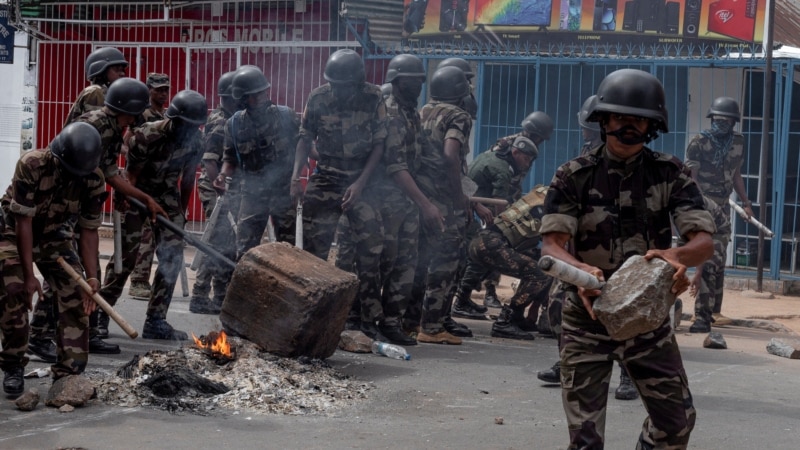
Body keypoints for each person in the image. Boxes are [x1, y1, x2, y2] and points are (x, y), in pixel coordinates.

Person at [540, 68, 715, 448]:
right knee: (585, 441)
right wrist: (579, 271)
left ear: (653, 127)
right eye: (620, 118)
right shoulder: (573, 176)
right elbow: (551, 246)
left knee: (676, 423)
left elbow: (703, 242)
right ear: (603, 121)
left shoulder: (670, 173)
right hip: (585, 318)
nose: (629, 127)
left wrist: (675, 255)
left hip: (647, 321)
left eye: (639, 120)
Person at [536, 95, 638, 400]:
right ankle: (569, 359)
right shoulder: (583, 159)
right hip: (582, 249)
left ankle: (628, 374)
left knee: (624, 311)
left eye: (588, 128)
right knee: (558, 305)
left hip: (621, 248)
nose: (584, 133)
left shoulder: (628, 158)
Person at [1, 123, 105, 397]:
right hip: (13, 231)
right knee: (14, 291)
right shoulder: (32, 164)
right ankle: (13, 365)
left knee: (77, 292)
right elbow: (24, 221)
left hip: (55, 236)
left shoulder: (94, 179)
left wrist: (91, 278)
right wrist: (29, 275)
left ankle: (69, 375)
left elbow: (89, 231)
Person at [290, 50, 386, 339]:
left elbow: (380, 145)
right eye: (334, 84)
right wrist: (297, 176)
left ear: (357, 81)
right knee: (313, 253)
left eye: (344, 85)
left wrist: (360, 184)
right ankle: (309, 317)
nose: (338, 89)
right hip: (327, 176)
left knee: (370, 250)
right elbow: (304, 138)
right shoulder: (318, 98)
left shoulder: (374, 97)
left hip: (363, 180)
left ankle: (367, 321)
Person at [99, 90, 207, 340]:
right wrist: (125, 201)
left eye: (195, 126)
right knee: (126, 256)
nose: (191, 131)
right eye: (187, 125)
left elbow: (188, 179)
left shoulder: (197, 142)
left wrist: (181, 211)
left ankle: (156, 319)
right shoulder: (147, 135)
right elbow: (131, 176)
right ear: (175, 119)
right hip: (138, 193)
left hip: (168, 196)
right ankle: (100, 315)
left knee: (172, 255)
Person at [410, 66, 489, 345]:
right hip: (444, 199)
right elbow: (450, 155)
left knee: (421, 260)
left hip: (419, 197)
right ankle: (432, 327)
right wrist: (459, 198)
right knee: (446, 260)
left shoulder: (422, 112)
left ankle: (419, 321)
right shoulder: (458, 116)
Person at [215, 65, 299, 260]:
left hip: (284, 192)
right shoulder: (234, 125)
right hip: (252, 194)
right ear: (243, 99)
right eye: (254, 95)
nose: (260, 98)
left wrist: (298, 179)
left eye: (262, 93)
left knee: (288, 249)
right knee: (245, 249)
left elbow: (304, 149)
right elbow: (229, 159)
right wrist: (222, 176)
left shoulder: (286, 116)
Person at [452, 136, 540, 323]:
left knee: (481, 251)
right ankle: (460, 302)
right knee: (483, 250)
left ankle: (462, 300)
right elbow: (500, 211)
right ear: (515, 153)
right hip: (461, 209)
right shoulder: (502, 170)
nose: (527, 164)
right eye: (526, 159)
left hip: (467, 205)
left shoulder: (493, 155)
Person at [685, 96, 752, 329]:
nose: (721, 124)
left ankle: (715, 311)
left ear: (734, 123)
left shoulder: (738, 142)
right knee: (707, 258)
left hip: (724, 206)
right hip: (703, 207)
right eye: (718, 120)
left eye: (727, 121)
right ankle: (701, 317)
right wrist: (697, 207)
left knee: (719, 259)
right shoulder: (698, 143)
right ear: (712, 119)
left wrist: (746, 202)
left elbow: (736, 175)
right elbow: (691, 180)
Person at [459, 186, 554, 341]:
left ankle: (516, 318)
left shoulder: (537, 198)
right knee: (539, 272)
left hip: (483, 241)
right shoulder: (552, 206)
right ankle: (505, 321)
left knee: (540, 264)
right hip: (490, 244)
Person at [190, 71, 242, 314]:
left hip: (227, 187)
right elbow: (209, 162)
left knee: (227, 243)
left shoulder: (233, 118)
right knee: (215, 242)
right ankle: (200, 294)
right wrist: (221, 190)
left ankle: (221, 295)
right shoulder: (221, 121)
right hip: (215, 188)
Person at [128, 73, 173, 300]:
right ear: (149, 90)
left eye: (166, 89)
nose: (163, 93)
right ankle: (138, 281)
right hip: (143, 182)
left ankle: (152, 281)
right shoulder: (142, 114)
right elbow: (128, 140)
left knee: (156, 233)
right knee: (145, 233)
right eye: (158, 89)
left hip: (161, 184)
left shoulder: (165, 115)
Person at [63, 47, 128, 126]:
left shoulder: (110, 93)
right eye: (117, 69)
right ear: (102, 71)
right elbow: (97, 128)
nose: (122, 74)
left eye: (122, 70)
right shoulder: (96, 92)